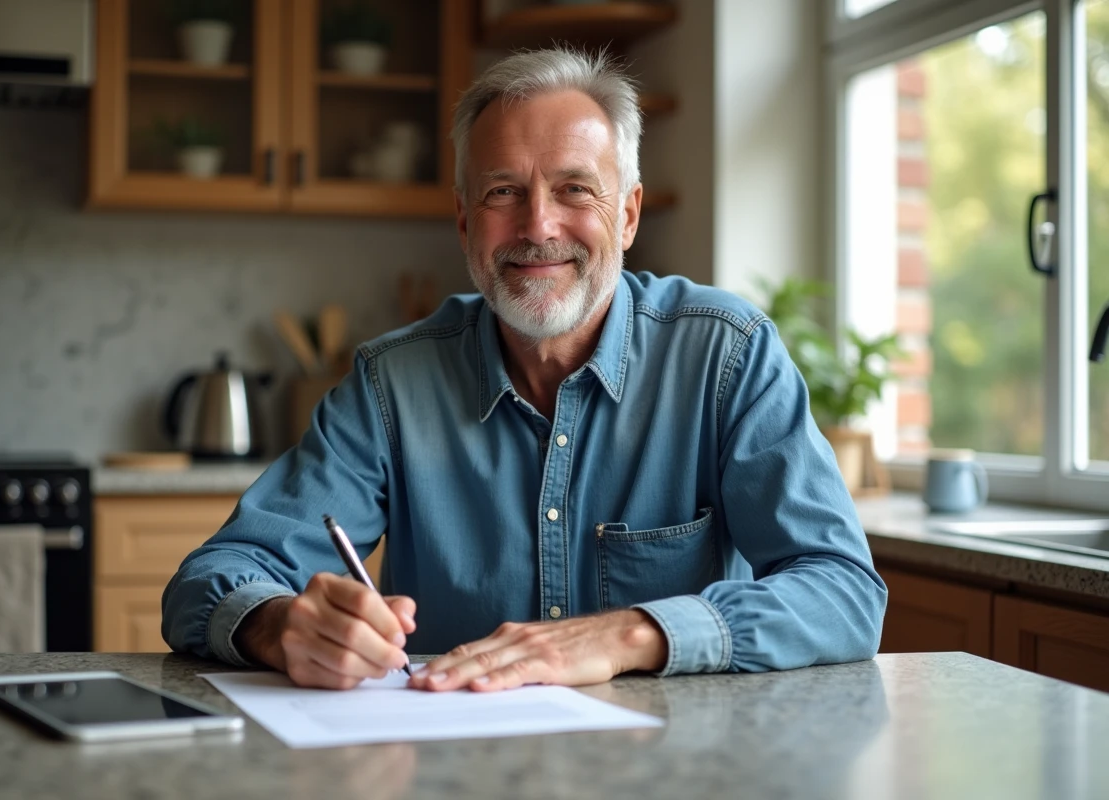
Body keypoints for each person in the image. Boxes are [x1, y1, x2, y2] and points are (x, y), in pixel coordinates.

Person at [162, 47, 887, 692]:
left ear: (628, 216)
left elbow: (843, 592)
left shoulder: (727, 355)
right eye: (503, 191)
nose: (538, 226)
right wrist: (278, 624)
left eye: (575, 188)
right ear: (464, 222)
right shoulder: (391, 384)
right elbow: (209, 579)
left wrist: (627, 634)